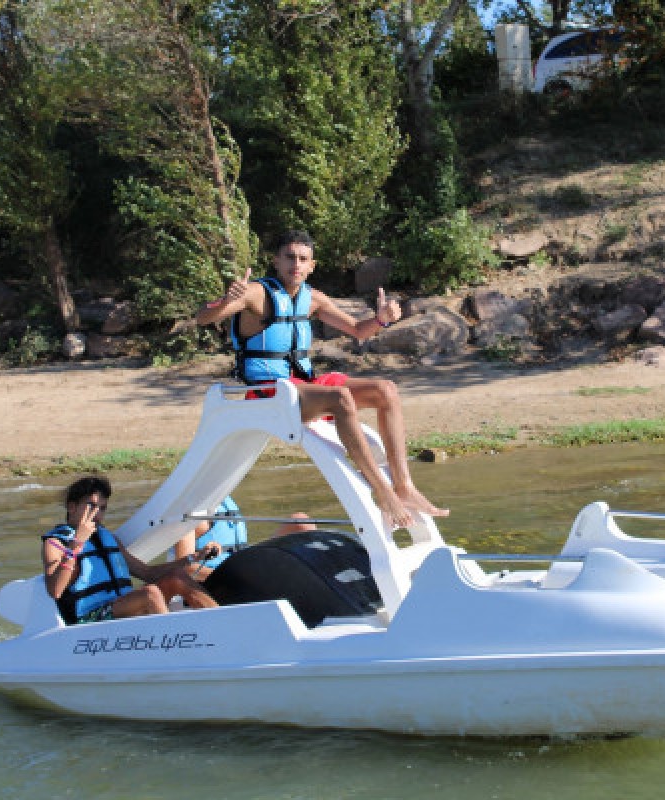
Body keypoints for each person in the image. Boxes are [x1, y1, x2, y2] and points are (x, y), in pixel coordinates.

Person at [195, 229, 448, 529]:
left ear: (312, 266)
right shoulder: (255, 293)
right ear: (276, 261)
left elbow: (358, 330)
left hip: (304, 386)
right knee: (340, 399)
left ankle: (404, 486)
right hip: (269, 392)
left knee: (386, 390)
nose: (296, 264)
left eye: (303, 259)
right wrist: (225, 300)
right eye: (290, 257)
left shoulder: (312, 298)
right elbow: (202, 318)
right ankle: (382, 491)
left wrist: (382, 319)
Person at [42, 476, 220, 624]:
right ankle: (174, 643)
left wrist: (193, 558)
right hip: (92, 618)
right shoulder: (55, 543)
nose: (97, 514)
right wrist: (76, 544)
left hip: (122, 606)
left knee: (177, 577)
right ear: (72, 507)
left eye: (102, 508)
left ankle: (220, 623)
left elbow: (147, 573)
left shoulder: (109, 539)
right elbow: (55, 590)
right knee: (150, 593)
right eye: (91, 506)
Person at [174, 499, 317, 580]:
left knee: (301, 522)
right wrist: (240, 578)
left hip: (243, 566)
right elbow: (184, 569)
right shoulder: (191, 508)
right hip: (219, 581)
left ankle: (316, 582)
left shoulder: (224, 500)